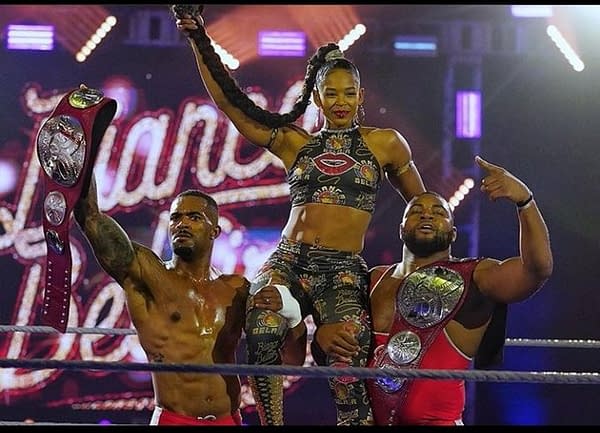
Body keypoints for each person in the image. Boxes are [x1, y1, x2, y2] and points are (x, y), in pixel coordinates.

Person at [172, 5, 427, 426]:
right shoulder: (296, 144)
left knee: (349, 354)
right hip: (288, 261)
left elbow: (422, 207)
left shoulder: (387, 145)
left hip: (342, 271)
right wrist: (199, 39)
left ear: (361, 97)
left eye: (349, 93)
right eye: (332, 93)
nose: (341, 101)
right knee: (263, 322)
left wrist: (426, 270)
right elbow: (230, 103)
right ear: (317, 97)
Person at [314, 155, 553, 425]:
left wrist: (525, 202)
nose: (427, 214)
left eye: (439, 213)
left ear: (453, 233)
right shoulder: (373, 279)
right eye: (416, 211)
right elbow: (332, 344)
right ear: (402, 229)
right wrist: (322, 337)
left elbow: (536, 270)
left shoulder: (475, 276)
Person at [73, 174, 283, 425]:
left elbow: (278, 346)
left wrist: (285, 309)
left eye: (194, 217)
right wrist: (87, 154)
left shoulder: (236, 289)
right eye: (176, 217)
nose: (182, 224)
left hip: (228, 419)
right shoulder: (148, 275)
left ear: (214, 231)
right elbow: (91, 218)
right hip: (175, 418)